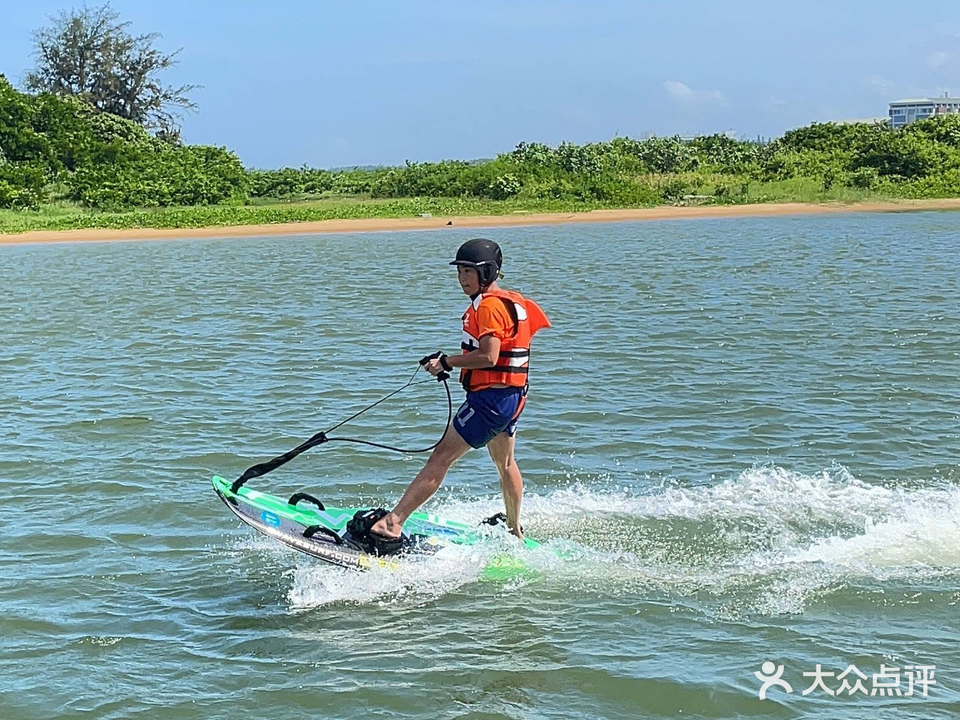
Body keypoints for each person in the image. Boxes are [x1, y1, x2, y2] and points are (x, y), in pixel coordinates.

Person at [347, 238, 551, 555]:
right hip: (512, 398)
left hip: (490, 403)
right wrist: (451, 361)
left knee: (440, 458)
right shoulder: (510, 302)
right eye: (460, 272)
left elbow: (489, 357)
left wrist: (448, 362)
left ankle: (392, 524)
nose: (463, 278)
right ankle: (514, 530)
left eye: (469, 271)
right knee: (505, 462)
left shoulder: (488, 306)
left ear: (487, 272)